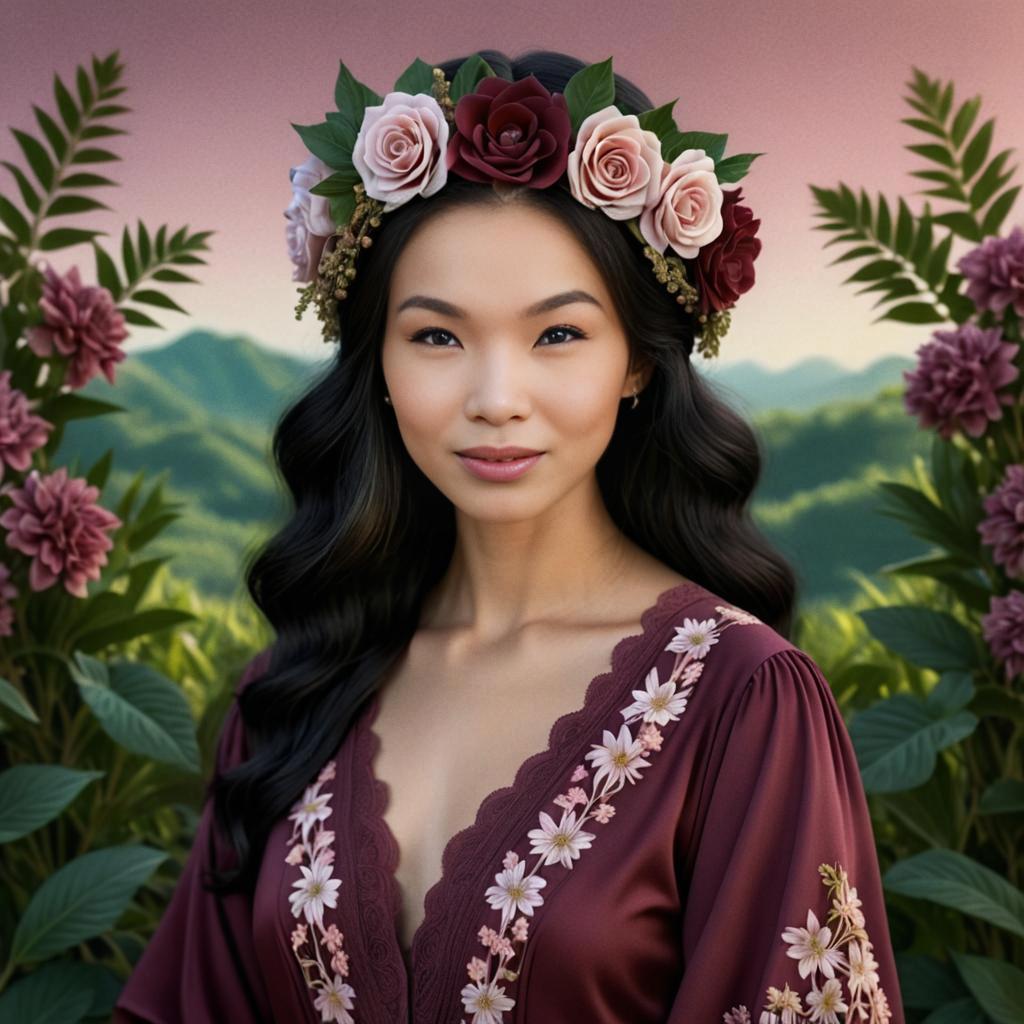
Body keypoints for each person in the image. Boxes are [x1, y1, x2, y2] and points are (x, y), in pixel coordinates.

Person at [113, 47, 904, 1024]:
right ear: (380, 364)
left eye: (558, 335)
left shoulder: (743, 701)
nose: (494, 400)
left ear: (637, 363)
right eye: (436, 335)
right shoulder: (298, 685)